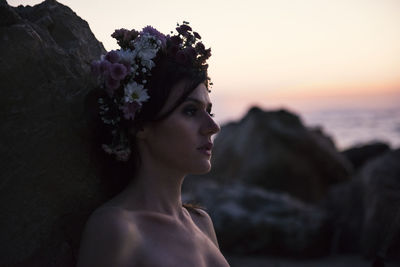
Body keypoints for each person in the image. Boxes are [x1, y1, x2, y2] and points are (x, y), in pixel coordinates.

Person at [77, 22, 230, 266]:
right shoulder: (116, 229)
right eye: (190, 111)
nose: (213, 126)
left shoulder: (202, 222)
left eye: (209, 111)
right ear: (140, 126)